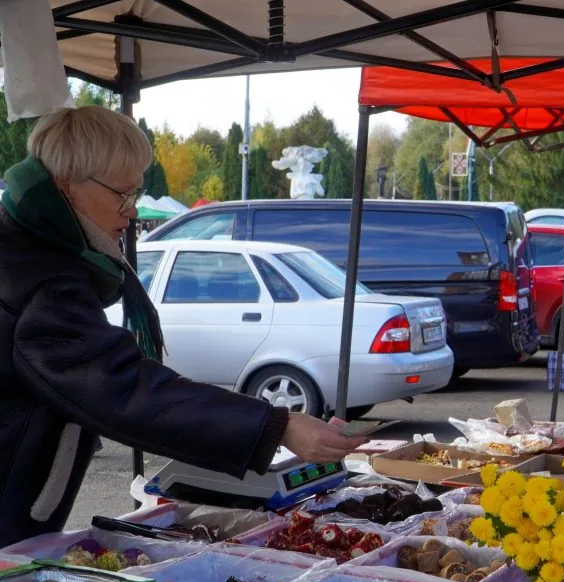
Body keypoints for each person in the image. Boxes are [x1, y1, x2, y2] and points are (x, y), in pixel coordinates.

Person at [0, 106, 365, 546]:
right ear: (66, 185)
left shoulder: (26, 249)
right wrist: (276, 426)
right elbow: (120, 388)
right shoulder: (38, 276)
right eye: (123, 195)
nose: (131, 213)